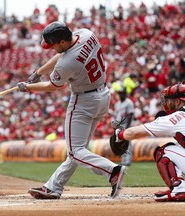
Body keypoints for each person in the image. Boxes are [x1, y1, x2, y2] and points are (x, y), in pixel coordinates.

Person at [17, 21, 126, 199]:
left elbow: (53, 86)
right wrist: (38, 72)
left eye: (53, 45)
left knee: (75, 152)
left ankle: (113, 171)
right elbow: (63, 55)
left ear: (61, 42)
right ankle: (53, 187)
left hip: (84, 101)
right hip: (102, 94)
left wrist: (29, 88)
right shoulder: (86, 33)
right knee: (78, 150)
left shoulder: (67, 62)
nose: (52, 48)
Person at [113, 83, 185, 202]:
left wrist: (119, 135)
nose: (166, 102)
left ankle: (179, 189)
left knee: (163, 151)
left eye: (169, 99)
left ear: (178, 101)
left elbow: (135, 133)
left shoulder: (176, 117)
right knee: (175, 147)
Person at [113, 88, 135, 166]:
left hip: (126, 124)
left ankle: (127, 161)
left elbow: (130, 114)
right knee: (121, 143)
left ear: (125, 94)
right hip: (120, 125)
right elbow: (115, 116)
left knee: (127, 143)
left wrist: (128, 127)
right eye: (120, 93)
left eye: (122, 93)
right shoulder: (117, 103)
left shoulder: (129, 102)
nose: (121, 94)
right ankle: (124, 160)